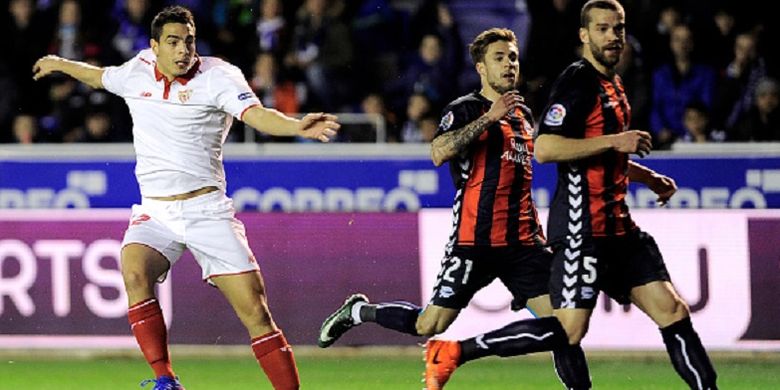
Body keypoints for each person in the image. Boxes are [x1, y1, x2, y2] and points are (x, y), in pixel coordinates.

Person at [32, 5, 339, 390]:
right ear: (154, 46)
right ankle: (165, 380)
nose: (183, 51)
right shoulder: (138, 69)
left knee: (256, 314)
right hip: (156, 212)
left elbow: (256, 115)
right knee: (134, 271)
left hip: (206, 209)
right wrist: (61, 63)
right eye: (173, 42)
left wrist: (296, 125)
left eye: (189, 42)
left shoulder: (219, 77)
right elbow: (100, 77)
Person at [318, 28, 591, 390]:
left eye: (512, 57)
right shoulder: (465, 109)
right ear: (481, 67)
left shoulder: (524, 117)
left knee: (564, 328)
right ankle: (358, 311)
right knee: (429, 326)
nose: (509, 64)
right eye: (499, 57)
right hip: (473, 242)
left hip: (524, 246)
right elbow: (439, 151)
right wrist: (489, 117)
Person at [535, 1, 718, 389]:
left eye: (618, 28)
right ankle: (464, 349)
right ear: (584, 36)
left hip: (618, 228)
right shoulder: (577, 82)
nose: (612, 36)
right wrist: (618, 140)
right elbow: (546, 148)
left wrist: (648, 177)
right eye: (602, 29)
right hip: (580, 230)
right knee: (569, 331)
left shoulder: (614, 84)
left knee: (671, 309)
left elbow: (604, 157)